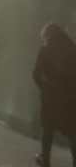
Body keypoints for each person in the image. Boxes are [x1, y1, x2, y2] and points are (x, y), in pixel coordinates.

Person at [33, 23, 76, 167]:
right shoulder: (72, 49)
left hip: (51, 98)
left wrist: (45, 87)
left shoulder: (45, 50)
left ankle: (45, 160)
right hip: (70, 98)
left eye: (43, 37)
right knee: (72, 132)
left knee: (48, 130)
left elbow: (36, 74)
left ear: (48, 35)